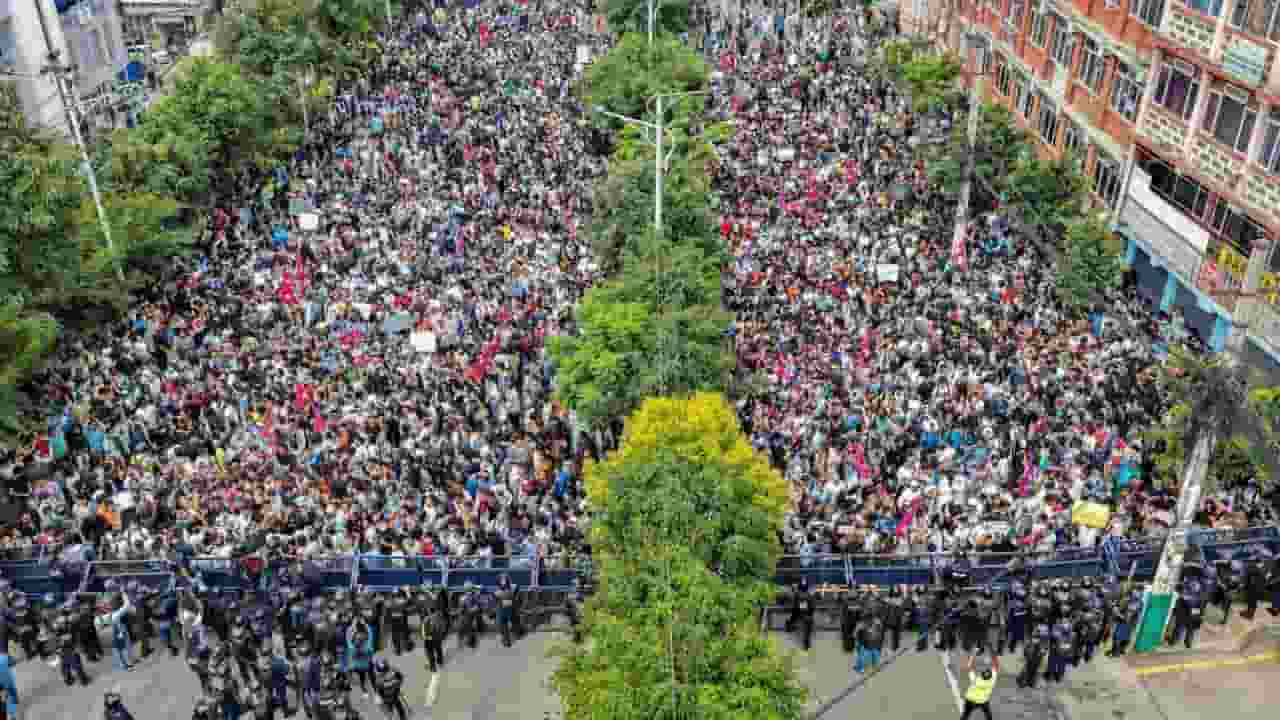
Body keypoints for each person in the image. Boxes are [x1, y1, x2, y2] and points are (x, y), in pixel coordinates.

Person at [961, 654, 999, 720]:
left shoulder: (975, 679)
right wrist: (994, 655)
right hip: (983, 701)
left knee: (966, 715)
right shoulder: (992, 680)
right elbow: (996, 666)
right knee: (988, 715)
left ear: (981, 674)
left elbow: (970, 668)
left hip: (970, 700)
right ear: (991, 676)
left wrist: (972, 656)